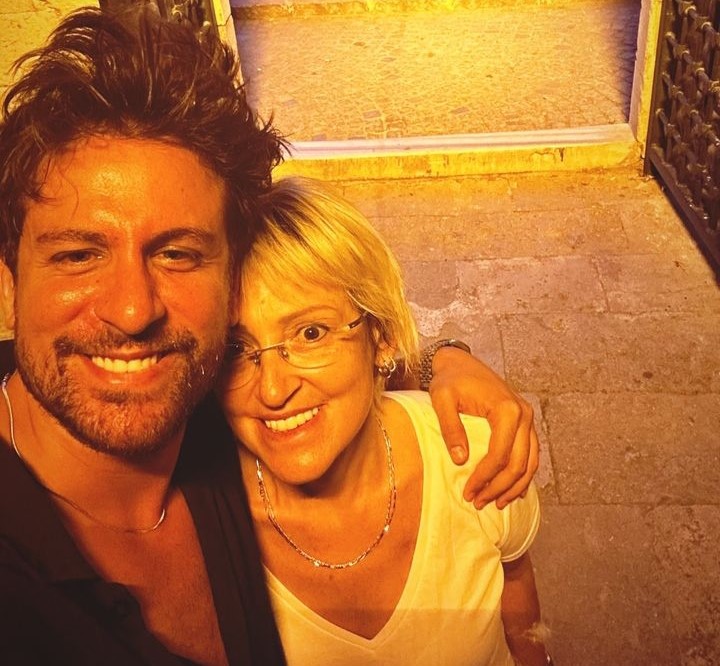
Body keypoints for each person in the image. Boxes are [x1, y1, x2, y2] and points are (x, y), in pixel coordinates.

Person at [0, 5, 538, 665]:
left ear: (228, 277)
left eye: (177, 253)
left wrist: (442, 364)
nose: (134, 312)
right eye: (79, 255)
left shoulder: (203, 405)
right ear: (8, 288)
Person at [217, 177, 551, 665]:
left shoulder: (478, 460)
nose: (271, 389)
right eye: (236, 348)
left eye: (310, 333)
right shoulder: (201, 531)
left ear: (382, 336)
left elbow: (517, 590)